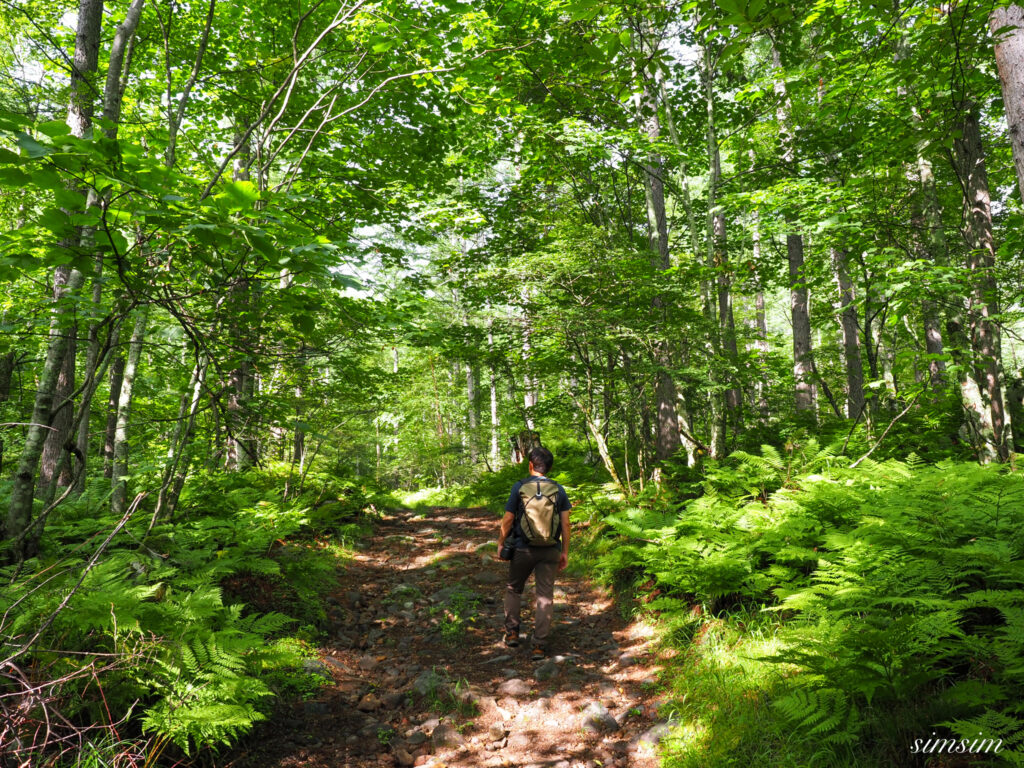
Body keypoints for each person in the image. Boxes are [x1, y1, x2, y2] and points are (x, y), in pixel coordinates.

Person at [497, 445, 571, 660]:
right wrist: (564, 551)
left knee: (513, 589)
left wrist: (501, 542)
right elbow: (565, 525)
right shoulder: (559, 490)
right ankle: (538, 645)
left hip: (522, 548)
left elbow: (508, 519)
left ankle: (512, 633)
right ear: (549, 468)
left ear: (530, 465)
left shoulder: (519, 487)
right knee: (545, 596)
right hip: (550, 550)